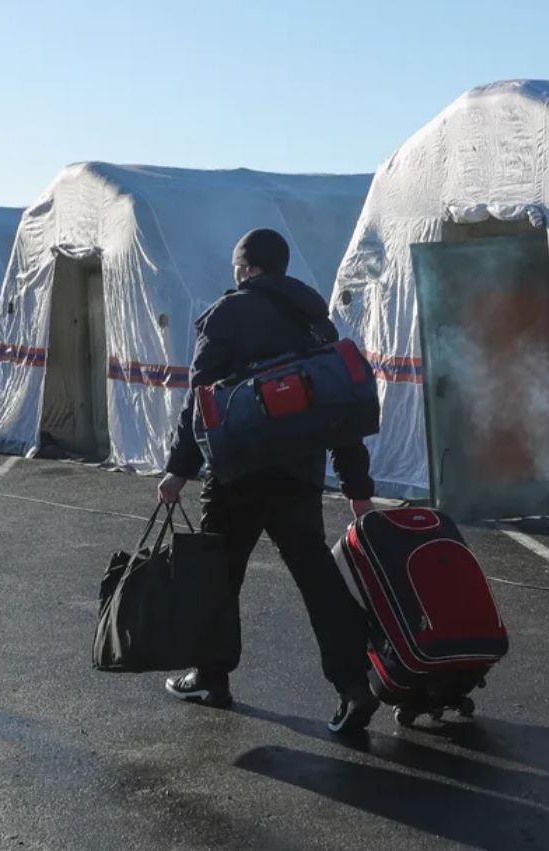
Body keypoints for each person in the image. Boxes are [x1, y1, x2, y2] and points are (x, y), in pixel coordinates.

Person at [158, 227, 381, 734]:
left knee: (219, 578)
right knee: (317, 578)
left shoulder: (226, 314)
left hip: (237, 475)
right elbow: (339, 405)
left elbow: (200, 401)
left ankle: (211, 677)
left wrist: (179, 469)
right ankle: (353, 687)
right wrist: (358, 489)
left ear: (247, 268)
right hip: (299, 472)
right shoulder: (314, 319)